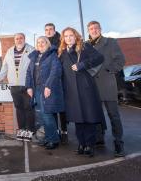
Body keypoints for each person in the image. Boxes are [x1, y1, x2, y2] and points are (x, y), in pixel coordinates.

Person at [59, 27, 105, 157]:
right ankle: (81, 143)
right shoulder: (62, 52)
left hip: (86, 88)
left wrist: (83, 64)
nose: (68, 38)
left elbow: (100, 58)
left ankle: (89, 145)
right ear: (63, 39)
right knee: (77, 118)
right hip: (71, 90)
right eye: (66, 36)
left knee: (88, 116)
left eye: (71, 35)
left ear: (76, 36)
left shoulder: (84, 47)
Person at [87, 21, 126, 157]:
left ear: (100, 29)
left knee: (113, 115)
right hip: (92, 86)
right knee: (96, 114)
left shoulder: (110, 42)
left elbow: (120, 60)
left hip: (107, 83)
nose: (94, 30)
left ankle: (118, 142)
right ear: (88, 31)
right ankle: (99, 138)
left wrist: (110, 69)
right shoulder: (86, 45)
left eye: (96, 28)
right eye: (91, 28)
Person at [26, 36, 64, 150]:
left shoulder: (52, 56)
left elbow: (56, 71)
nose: (41, 44)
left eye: (43, 42)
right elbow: (28, 73)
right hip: (36, 89)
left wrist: (48, 85)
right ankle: (48, 138)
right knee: (42, 115)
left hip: (47, 89)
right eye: (38, 42)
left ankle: (54, 140)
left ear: (48, 44)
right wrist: (29, 87)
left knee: (47, 114)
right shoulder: (34, 57)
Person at [0, 33, 35, 141]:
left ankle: (30, 132)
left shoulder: (31, 49)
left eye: (21, 38)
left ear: (24, 39)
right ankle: (22, 131)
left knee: (29, 108)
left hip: (27, 85)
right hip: (14, 85)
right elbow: (5, 66)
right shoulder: (9, 51)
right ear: (14, 40)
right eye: (17, 38)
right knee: (19, 109)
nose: (19, 40)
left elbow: (34, 67)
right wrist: (0, 78)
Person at [44, 23, 68, 144]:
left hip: (62, 76)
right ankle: (56, 129)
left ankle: (64, 130)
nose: (48, 32)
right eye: (46, 30)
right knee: (52, 104)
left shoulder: (61, 41)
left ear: (54, 30)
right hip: (49, 78)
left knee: (62, 105)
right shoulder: (44, 43)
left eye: (50, 30)